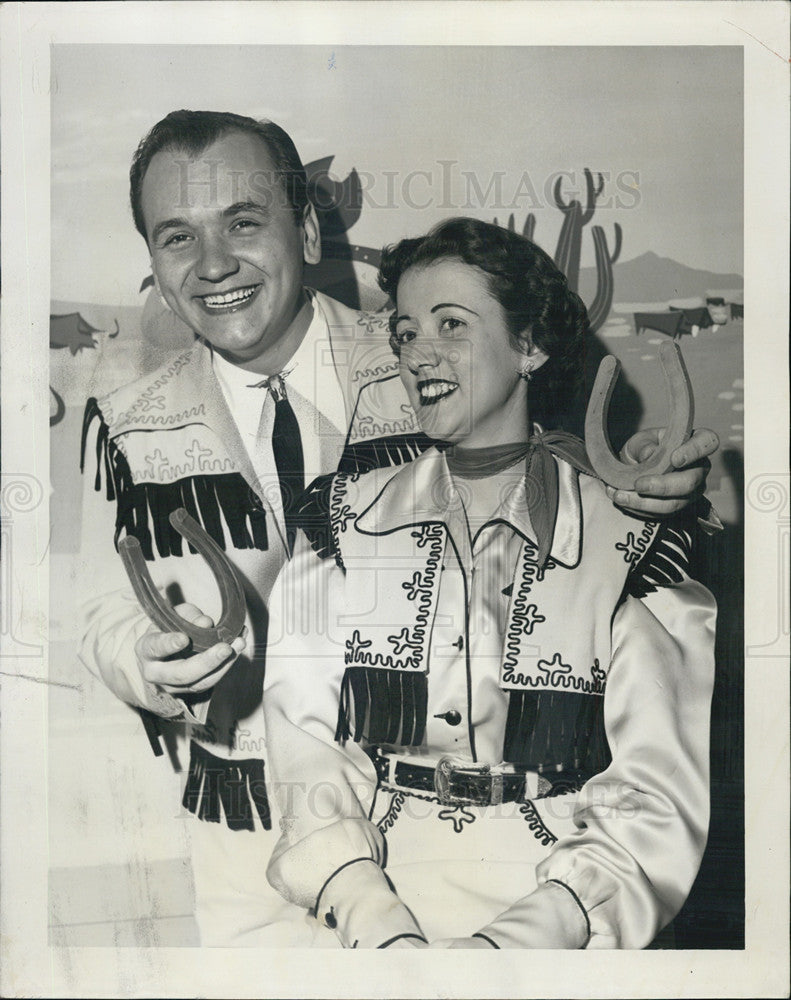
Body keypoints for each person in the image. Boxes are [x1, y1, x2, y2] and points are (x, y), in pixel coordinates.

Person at [77, 112, 717, 947]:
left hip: (430, 836)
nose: (212, 264)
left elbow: (573, 479)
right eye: (176, 237)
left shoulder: (427, 351)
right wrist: (144, 658)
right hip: (243, 841)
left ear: (304, 230)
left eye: (242, 222)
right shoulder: (127, 420)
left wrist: (656, 486)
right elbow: (101, 607)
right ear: (155, 267)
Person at [262, 217, 717, 949]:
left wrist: (519, 945)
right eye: (405, 332)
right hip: (371, 895)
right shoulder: (338, 520)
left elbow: (652, 795)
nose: (418, 355)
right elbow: (302, 747)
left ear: (529, 344)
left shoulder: (633, 542)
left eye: (451, 324)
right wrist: (374, 922)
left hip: (559, 900)